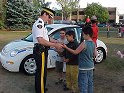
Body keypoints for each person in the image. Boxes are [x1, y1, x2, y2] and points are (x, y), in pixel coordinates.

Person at [32, 7, 63, 93]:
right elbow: (41, 40)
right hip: (40, 50)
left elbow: (47, 38)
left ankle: (40, 87)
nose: (49, 19)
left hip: (42, 50)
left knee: (42, 71)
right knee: (41, 73)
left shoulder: (42, 24)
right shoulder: (39, 24)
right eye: (49, 17)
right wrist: (55, 45)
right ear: (45, 14)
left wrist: (56, 41)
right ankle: (40, 90)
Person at [63, 26, 97, 93]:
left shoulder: (84, 43)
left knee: (83, 84)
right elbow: (95, 54)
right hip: (90, 67)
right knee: (90, 83)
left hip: (83, 67)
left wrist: (66, 48)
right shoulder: (93, 43)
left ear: (87, 35)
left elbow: (75, 52)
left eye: (83, 34)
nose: (83, 36)